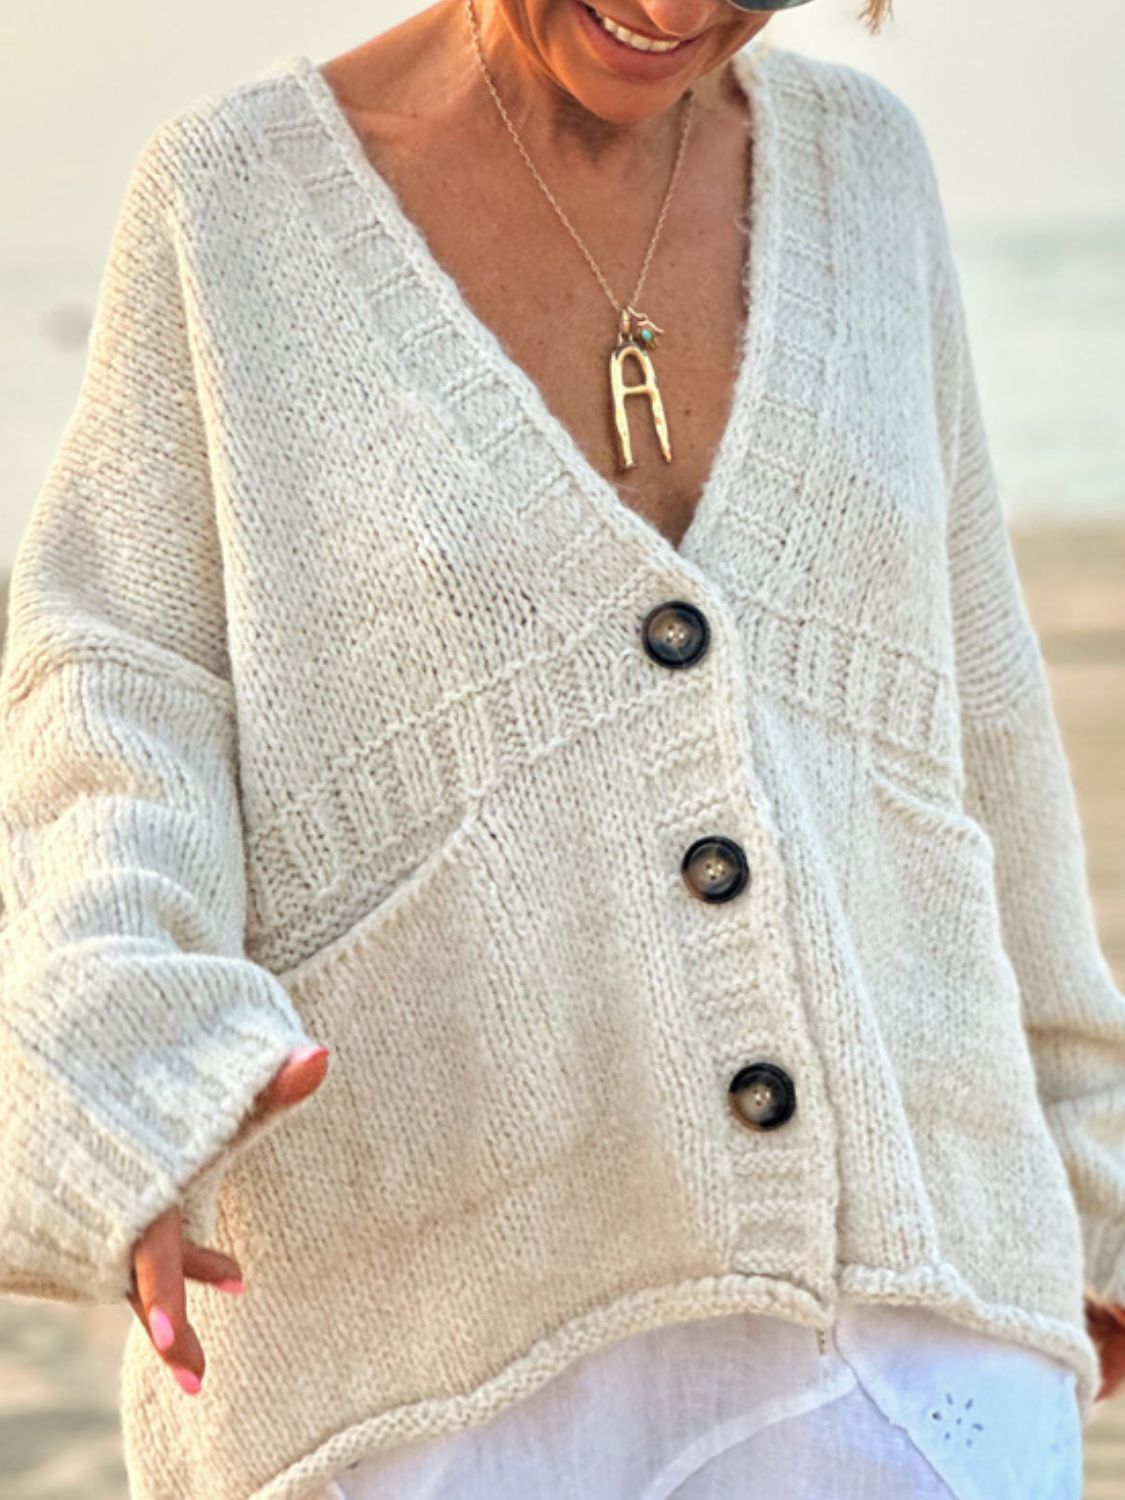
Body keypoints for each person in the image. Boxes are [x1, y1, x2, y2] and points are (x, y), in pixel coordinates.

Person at [1, 0, 1123, 1495]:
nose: (673, 13)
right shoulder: (232, 203)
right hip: (429, 1351)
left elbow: (974, 709)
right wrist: (127, 1047)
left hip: (910, 1329)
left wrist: (1089, 1161)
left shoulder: (867, 170)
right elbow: (114, 684)